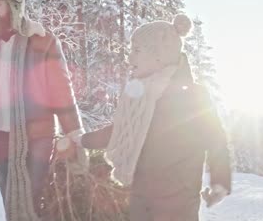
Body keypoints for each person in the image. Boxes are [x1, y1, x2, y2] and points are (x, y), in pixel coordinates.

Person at [64, 14, 232, 221]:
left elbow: (215, 139)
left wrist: (220, 181)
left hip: (178, 201)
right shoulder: (137, 96)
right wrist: (81, 139)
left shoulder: (193, 95)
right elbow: (119, 132)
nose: (130, 59)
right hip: (140, 196)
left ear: (159, 55)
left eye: (136, 51)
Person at [0, 0, 87, 220]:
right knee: (9, 199)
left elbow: (61, 89)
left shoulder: (41, 40)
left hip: (38, 135)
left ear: (15, 6)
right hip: (0, 135)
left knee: (32, 200)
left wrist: (73, 133)